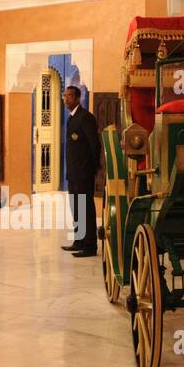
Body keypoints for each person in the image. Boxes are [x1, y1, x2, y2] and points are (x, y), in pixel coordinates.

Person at [61, 85, 101, 257]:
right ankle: (79, 241)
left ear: (78, 98)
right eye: (65, 96)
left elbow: (94, 145)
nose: (66, 99)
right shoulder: (71, 118)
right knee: (76, 208)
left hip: (84, 173)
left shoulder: (85, 117)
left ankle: (90, 246)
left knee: (86, 208)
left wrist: (91, 167)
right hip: (73, 173)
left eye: (70, 96)